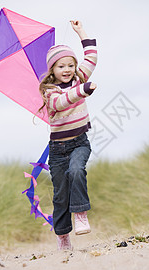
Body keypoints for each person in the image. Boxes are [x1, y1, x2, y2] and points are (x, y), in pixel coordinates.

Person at [39, 20, 97, 250]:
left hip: (80, 142)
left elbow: (91, 57)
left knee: (77, 170)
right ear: (52, 70)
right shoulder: (49, 92)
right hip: (57, 151)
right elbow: (63, 102)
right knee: (60, 194)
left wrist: (81, 31)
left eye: (70, 65)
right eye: (61, 66)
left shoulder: (78, 78)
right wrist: (82, 90)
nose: (66, 70)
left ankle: (81, 213)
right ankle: (63, 235)